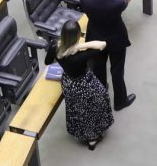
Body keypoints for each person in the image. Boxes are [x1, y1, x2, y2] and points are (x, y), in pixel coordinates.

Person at [44, 20, 114, 149]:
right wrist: (79, 46)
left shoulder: (54, 46)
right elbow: (103, 45)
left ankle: (86, 134)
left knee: (78, 110)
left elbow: (47, 61)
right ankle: (93, 138)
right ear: (77, 36)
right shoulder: (81, 55)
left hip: (69, 84)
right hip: (84, 84)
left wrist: (67, 48)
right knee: (100, 98)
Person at [79, 0, 136, 111]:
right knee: (117, 70)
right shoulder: (117, 2)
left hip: (95, 38)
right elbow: (122, 1)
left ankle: (101, 102)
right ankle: (120, 101)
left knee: (98, 71)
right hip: (116, 39)